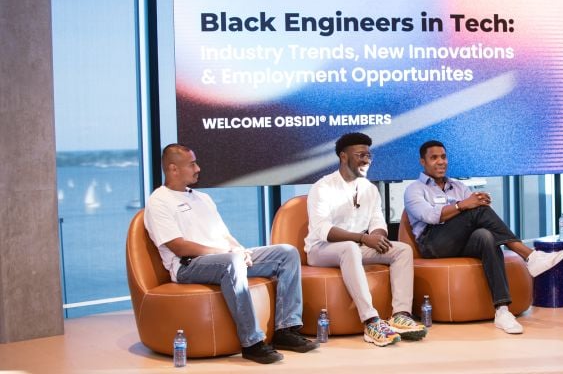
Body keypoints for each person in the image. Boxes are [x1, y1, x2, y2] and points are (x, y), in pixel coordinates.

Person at [144, 144, 318, 364]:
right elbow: (179, 247)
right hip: (188, 265)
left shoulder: (202, 198)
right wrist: (228, 253)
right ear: (173, 169)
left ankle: (286, 329)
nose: (198, 168)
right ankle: (252, 343)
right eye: (192, 164)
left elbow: (224, 235)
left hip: (225, 257)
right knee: (232, 262)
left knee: (287, 253)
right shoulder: (159, 201)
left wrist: (239, 249)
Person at [403, 140, 563, 335]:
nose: (441, 162)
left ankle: (502, 310)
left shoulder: (458, 186)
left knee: (486, 236)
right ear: (423, 162)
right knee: (476, 210)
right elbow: (430, 216)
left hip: (460, 241)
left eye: (444, 157)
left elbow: (474, 209)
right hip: (433, 244)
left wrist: (479, 201)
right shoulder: (414, 189)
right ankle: (529, 256)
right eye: (434, 158)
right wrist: (464, 205)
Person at [306, 132, 426, 347]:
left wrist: (377, 238)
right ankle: (371, 321)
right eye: (360, 155)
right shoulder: (322, 187)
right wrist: (363, 238)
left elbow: (378, 222)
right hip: (322, 249)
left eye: (368, 155)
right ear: (343, 157)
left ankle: (400, 315)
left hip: (357, 247)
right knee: (350, 248)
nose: (366, 160)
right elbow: (323, 229)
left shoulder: (369, 189)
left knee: (402, 250)